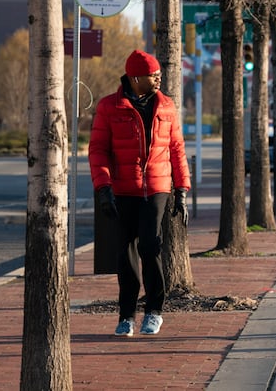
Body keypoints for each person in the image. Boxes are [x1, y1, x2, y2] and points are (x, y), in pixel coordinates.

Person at [88, 49, 191, 337]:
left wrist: (181, 189)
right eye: (153, 75)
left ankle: (155, 310)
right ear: (135, 78)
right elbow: (98, 150)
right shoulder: (110, 107)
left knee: (150, 245)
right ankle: (126, 316)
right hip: (123, 189)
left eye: (159, 73)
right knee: (126, 253)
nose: (159, 78)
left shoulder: (167, 106)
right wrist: (103, 188)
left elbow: (177, 149)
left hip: (157, 187)